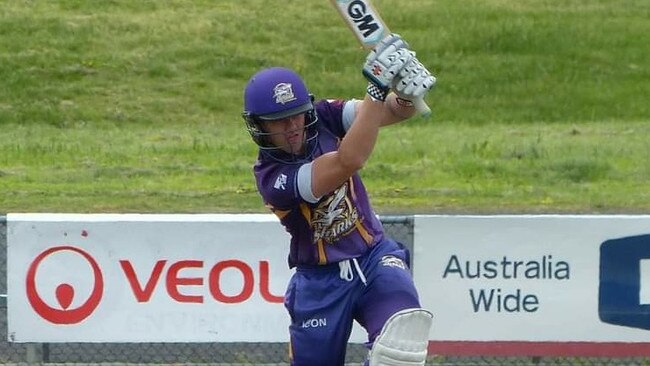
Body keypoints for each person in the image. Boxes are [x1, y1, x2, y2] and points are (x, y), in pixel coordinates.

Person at [242, 34, 436, 366]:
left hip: (374, 258)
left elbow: (385, 112)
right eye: (278, 121)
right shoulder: (273, 179)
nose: (292, 127)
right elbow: (349, 160)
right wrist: (376, 88)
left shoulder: (322, 116)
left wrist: (403, 94)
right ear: (259, 126)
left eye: (296, 115)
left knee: (403, 341)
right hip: (319, 283)